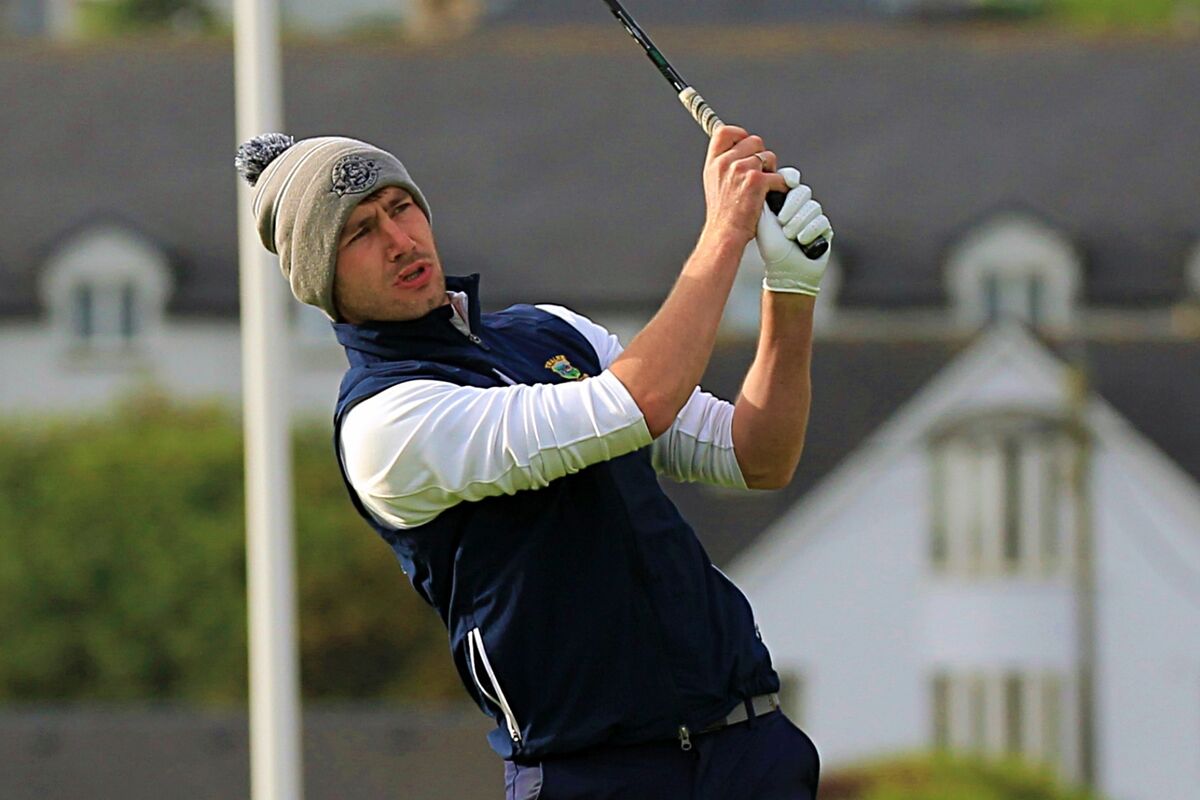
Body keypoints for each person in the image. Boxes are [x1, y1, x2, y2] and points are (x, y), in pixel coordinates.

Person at [235, 125, 833, 800]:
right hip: (595, 775)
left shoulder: (550, 332)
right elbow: (640, 402)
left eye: (401, 208)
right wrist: (727, 231)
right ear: (323, 279)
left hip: (748, 749)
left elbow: (755, 455)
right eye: (359, 233)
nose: (399, 241)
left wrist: (789, 289)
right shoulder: (385, 421)